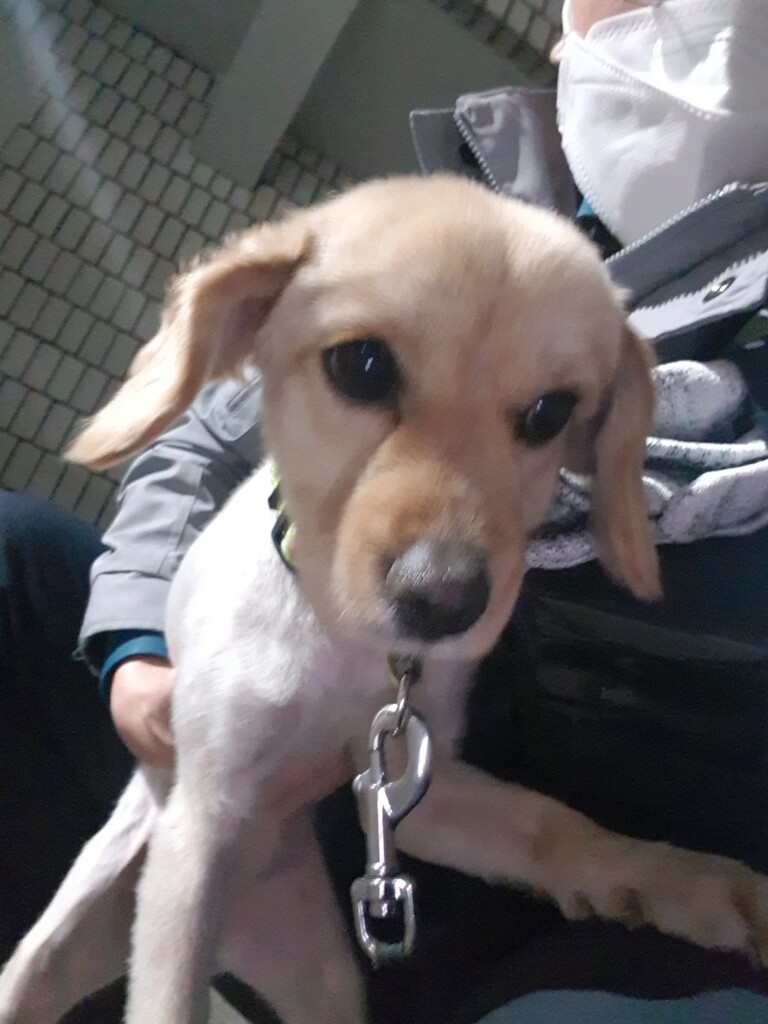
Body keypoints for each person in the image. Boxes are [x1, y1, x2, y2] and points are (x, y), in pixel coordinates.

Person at [3, 0, 768, 1020]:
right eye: (368, 368)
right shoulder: (427, 219)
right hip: (250, 704)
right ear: (569, 22)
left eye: (543, 415)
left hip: (481, 852)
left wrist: (615, 861)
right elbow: (198, 443)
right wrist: (137, 652)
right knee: (11, 558)